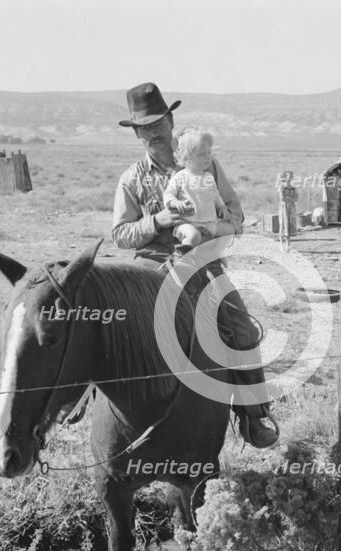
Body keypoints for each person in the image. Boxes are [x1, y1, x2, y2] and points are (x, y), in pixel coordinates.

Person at [112, 82, 278, 448]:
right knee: (114, 331)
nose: (154, 132)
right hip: (150, 269)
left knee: (243, 330)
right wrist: (158, 221)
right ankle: (85, 412)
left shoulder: (205, 164)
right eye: (145, 127)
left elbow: (235, 212)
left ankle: (254, 416)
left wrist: (217, 229)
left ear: (171, 121)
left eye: (159, 122)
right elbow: (120, 234)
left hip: (202, 264)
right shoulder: (131, 179)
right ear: (137, 133)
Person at [164, 127, 236, 255]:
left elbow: (215, 196)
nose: (208, 157)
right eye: (202, 154)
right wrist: (175, 203)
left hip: (209, 222)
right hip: (188, 222)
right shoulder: (180, 177)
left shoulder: (208, 177)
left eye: (209, 153)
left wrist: (222, 207)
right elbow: (168, 195)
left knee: (229, 230)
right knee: (193, 236)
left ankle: (216, 253)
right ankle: (184, 258)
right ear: (187, 157)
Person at [277, 170, 298, 252]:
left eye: (292, 176)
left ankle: (288, 246)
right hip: (284, 207)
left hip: (291, 207)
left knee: (289, 225)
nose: (291, 177)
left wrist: (289, 198)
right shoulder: (282, 186)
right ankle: (282, 245)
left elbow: (296, 198)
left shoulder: (293, 187)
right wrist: (291, 198)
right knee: (283, 224)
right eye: (289, 176)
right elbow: (282, 198)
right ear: (285, 177)